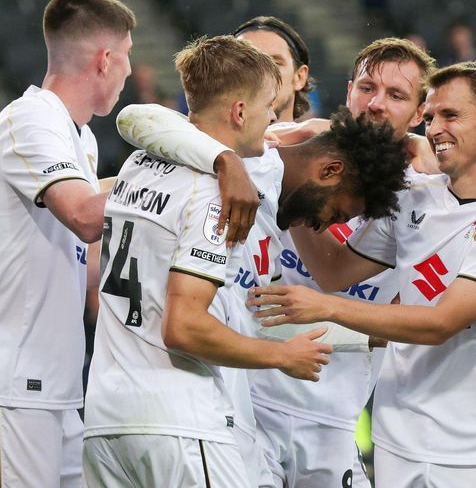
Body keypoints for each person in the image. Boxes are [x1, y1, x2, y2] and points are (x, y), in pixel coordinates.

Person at [83, 35, 411, 487]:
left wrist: (366, 332)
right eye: (334, 213)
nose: (320, 226)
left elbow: (244, 315)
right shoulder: (237, 178)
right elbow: (185, 325)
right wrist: (225, 161)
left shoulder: (148, 162)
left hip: (107, 415)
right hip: (182, 416)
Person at [251, 62, 476, 486]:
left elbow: (440, 322)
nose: (436, 129)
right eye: (430, 118)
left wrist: (326, 308)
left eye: (451, 116)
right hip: (395, 445)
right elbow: (334, 270)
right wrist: (292, 192)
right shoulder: (412, 197)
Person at [0, 0, 137, 488]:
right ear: (104, 59)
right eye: (128, 55)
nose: (131, 70)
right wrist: (157, 172)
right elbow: (85, 216)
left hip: (50, 385)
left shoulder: (79, 137)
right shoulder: (30, 118)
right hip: (9, 384)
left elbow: (86, 255)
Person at [234, 16, 314, 126]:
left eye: (274, 63)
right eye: (246, 63)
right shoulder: (204, 141)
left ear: (299, 77)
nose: (261, 75)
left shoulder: (329, 142)